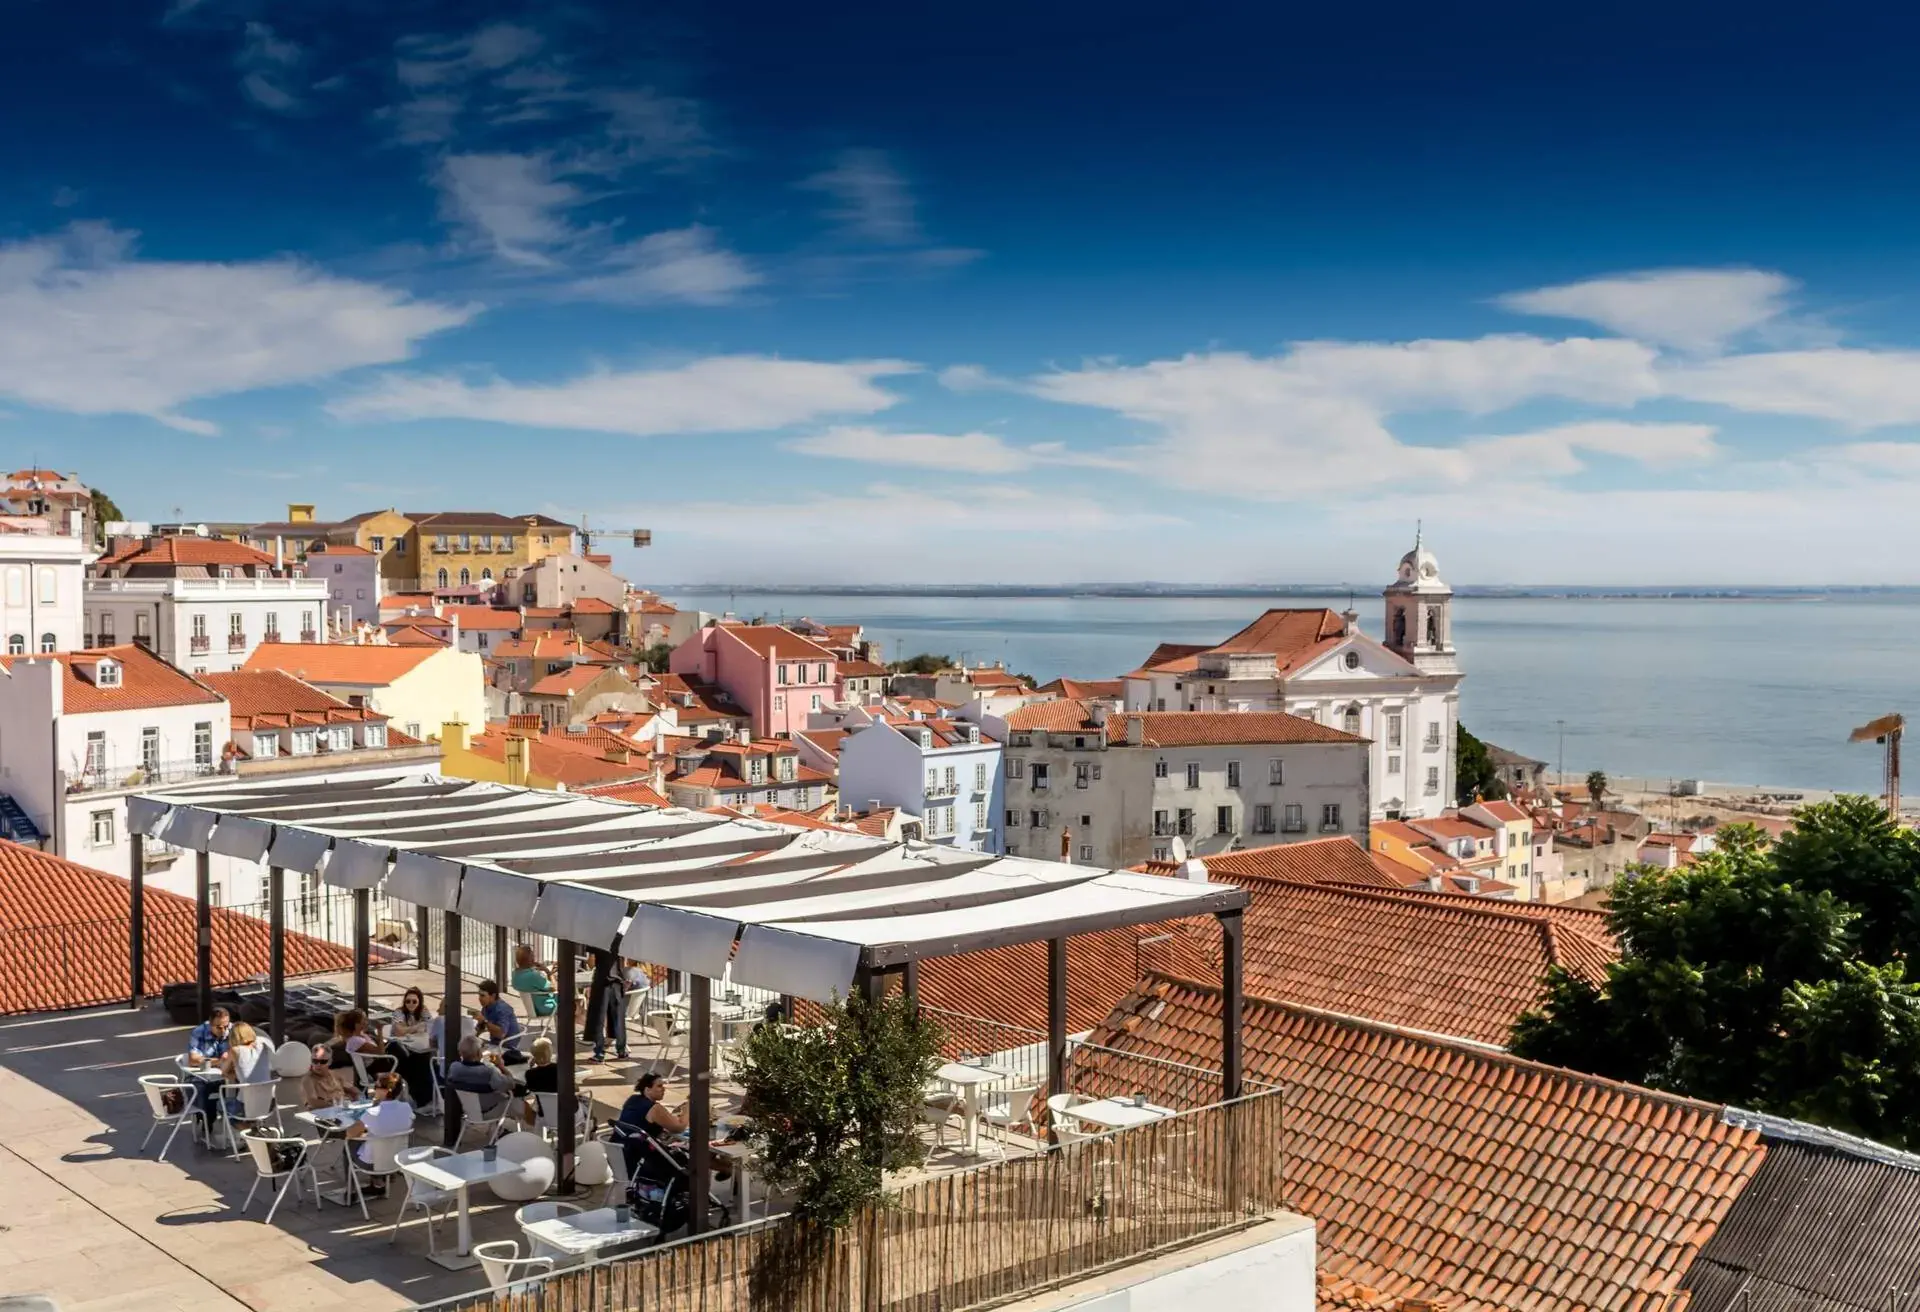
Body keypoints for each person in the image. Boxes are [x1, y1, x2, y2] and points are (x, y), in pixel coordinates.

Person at [343, 1073, 414, 1195]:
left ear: (387, 1091)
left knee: (348, 1145)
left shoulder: (372, 1113)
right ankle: (380, 1181)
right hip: (397, 1160)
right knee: (376, 1139)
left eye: (376, 1086)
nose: (374, 1088)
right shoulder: (406, 1107)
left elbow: (350, 1133)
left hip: (373, 1164)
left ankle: (351, 1189)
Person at [442, 1034, 516, 1148]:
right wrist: (501, 1066)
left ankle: (497, 1131)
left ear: (461, 1053)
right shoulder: (488, 1072)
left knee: (497, 1093)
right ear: (478, 1053)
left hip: (469, 1110)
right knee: (513, 1098)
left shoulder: (454, 1068)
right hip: (488, 1111)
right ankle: (506, 1133)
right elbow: (511, 1083)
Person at [385, 988, 438, 1109]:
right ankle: (420, 1099)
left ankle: (424, 1099)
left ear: (420, 1002)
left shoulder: (423, 1011)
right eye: (408, 1001)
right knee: (420, 1062)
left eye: (414, 1001)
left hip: (415, 1047)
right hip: (397, 1051)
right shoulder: (398, 1012)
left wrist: (409, 1029)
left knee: (426, 1059)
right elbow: (399, 1032)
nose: (411, 1004)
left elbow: (430, 1028)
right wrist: (418, 1026)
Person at [471, 980, 528, 1065]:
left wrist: (484, 1020)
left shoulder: (503, 1009)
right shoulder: (486, 1007)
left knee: (480, 1061)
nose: (479, 998)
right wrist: (472, 1038)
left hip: (506, 1047)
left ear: (493, 996)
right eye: (479, 995)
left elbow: (501, 1034)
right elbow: (481, 1027)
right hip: (494, 1043)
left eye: (482, 995)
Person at [510, 945, 557, 1020]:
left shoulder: (515, 974)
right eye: (533, 956)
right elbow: (555, 988)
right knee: (573, 1001)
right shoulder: (533, 976)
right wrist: (549, 973)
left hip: (533, 1008)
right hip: (546, 1007)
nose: (534, 958)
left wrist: (533, 969)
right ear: (530, 960)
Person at [301, 1043, 353, 1109]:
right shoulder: (308, 1079)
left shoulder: (336, 1075)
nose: (318, 1064)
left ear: (330, 1062)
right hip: (322, 1114)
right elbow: (313, 1102)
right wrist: (338, 1105)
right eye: (315, 1061)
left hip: (342, 1110)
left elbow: (353, 1090)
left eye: (323, 1061)